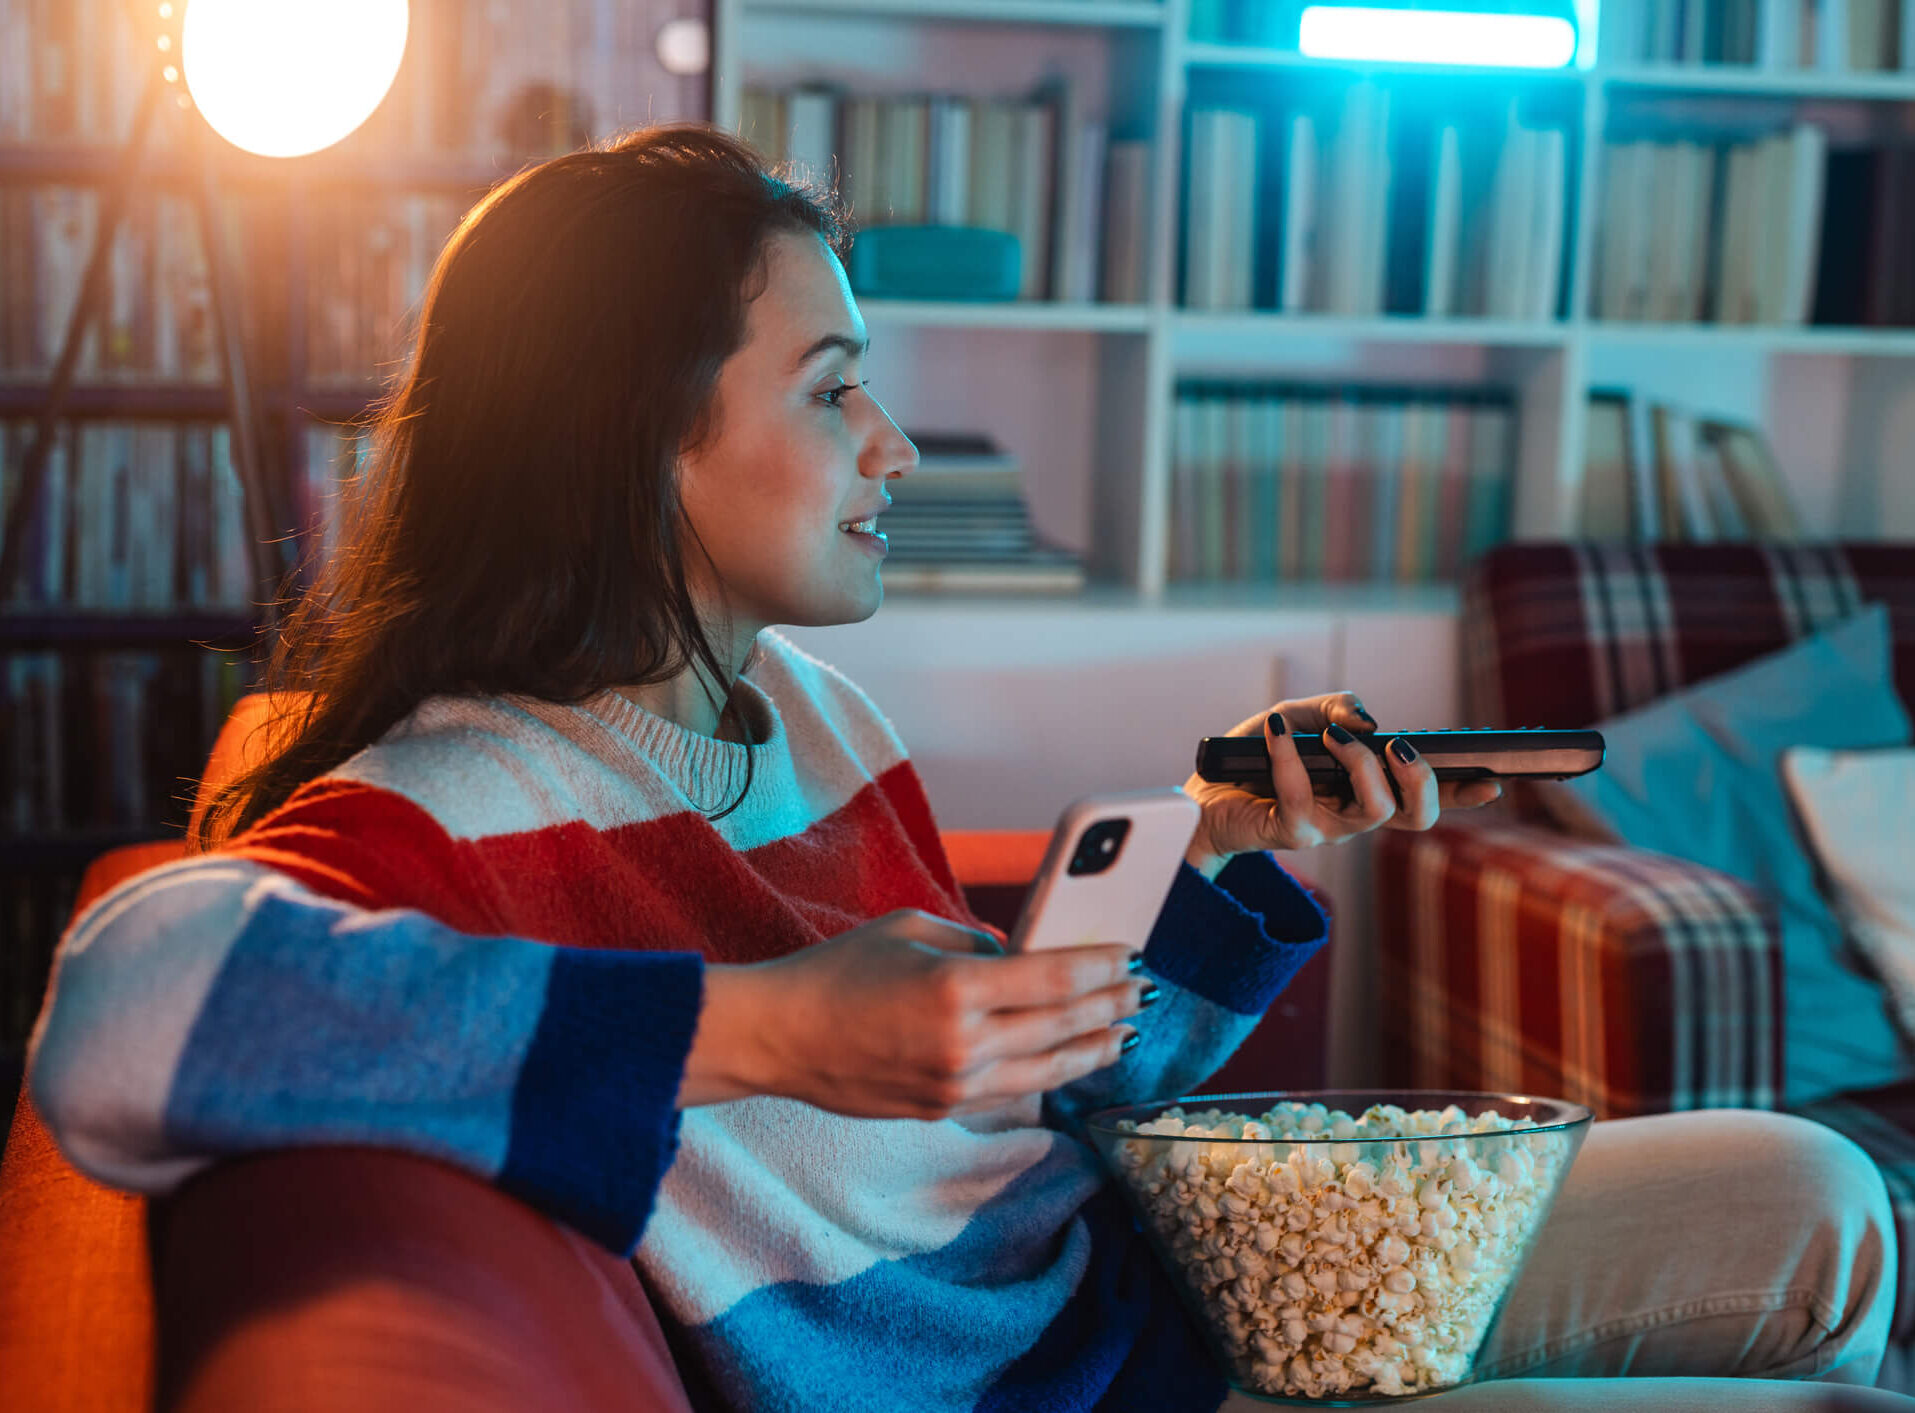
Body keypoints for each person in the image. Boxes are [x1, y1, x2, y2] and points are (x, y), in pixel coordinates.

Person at [28, 125, 1900, 1412]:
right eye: (833, 385)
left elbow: (1024, 1096)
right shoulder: (456, 811)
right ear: (635, 442)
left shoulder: (819, 719)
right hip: (1089, 1384)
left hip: (1157, 1278)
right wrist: (772, 1025)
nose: (896, 444)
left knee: (1822, 1191)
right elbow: (120, 1007)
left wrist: (1231, 837)